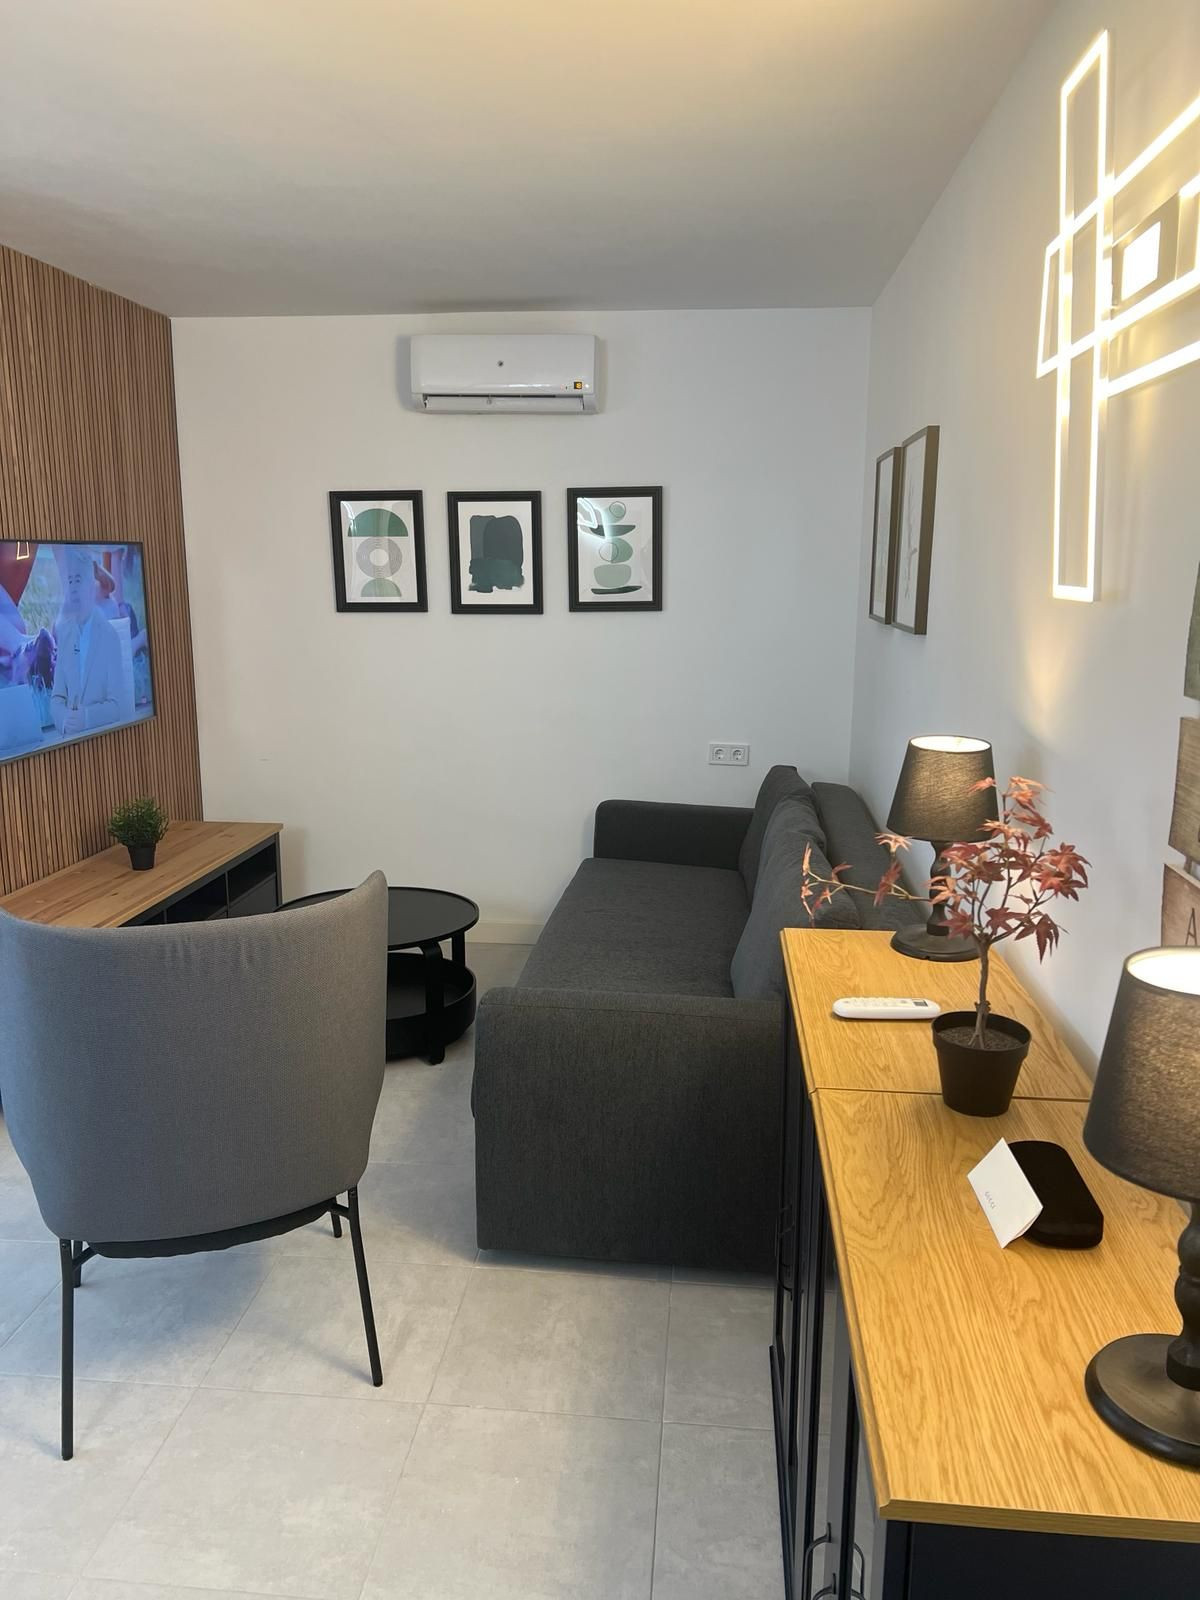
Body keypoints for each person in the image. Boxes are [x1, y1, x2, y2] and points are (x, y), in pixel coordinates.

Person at [50, 545, 122, 738]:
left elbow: (117, 706)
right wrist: (64, 719)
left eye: (78, 580)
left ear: (91, 587)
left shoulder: (109, 636)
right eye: (69, 581)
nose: (73, 588)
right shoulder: (65, 635)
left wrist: (87, 718)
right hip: (69, 741)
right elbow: (56, 698)